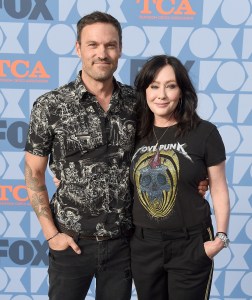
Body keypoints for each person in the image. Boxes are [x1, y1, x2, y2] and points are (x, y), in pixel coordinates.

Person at [24, 11, 209, 300]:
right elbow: (33, 171)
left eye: (110, 45)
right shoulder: (50, 106)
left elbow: (168, 144)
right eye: (93, 45)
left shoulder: (139, 103)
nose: (102, 53)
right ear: (78, 48)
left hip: (123, 244)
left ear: (120, 49)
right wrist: (51, 234)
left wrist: (195, 178)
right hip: (71, 241)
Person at [130, 55, 230, 300]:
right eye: (154, 86)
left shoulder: (204, 133)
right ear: (144, 91)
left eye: (170, 86)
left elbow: (218, 188)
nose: (161, 95)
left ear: (182, 91)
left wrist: (221, 237)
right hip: (144, 245)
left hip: (191, 243)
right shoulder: (133, 132)